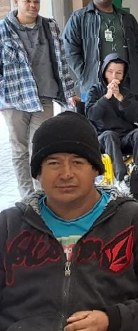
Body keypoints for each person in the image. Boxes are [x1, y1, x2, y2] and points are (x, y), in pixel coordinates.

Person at [0, 111, 138, 331]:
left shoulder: (135, 222)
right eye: (53, 163)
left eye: (78, 162)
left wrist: (112, 321)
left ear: (96, 168)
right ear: (37, 171)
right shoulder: (9, 225)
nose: (66, 173)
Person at [0, 0, 79, 198]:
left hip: (44, 96)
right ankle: (27, 198)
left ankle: (40, 196)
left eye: (36, 1)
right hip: (14, 99)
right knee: (19, 149)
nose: (33, 5)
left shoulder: (50, 26)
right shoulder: (3, 29)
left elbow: (61, 60)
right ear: (16, 2)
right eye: (28, 1)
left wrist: (70, 91)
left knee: (40, 147)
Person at [86, 54, 138, 183]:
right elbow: (91, 115)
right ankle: (122, 178)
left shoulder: (127, 92)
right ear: (104, 72)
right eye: (110, 71)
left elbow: (134, 117)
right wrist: (106, 97)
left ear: (123, 75)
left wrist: (120, 98)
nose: (114, 76)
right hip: (104, 138)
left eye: (119, 73)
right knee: (110, 135)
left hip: (125, 137)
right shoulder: (95, 90)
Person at [62, 0, 138, 100]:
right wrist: (85, 74)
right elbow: (69, 51)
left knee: (125, 114)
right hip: (93, 87)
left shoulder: (128, 18)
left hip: (125, 86)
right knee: (94, 115)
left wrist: (136, 74)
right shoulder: (79, 17)